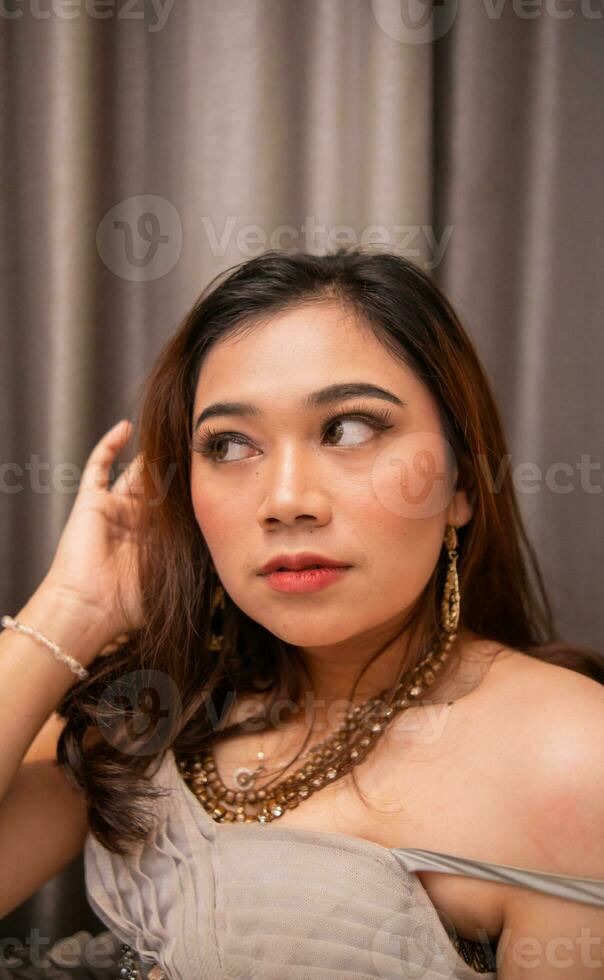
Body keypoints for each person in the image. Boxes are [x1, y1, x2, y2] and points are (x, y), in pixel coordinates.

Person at [1, 246, 603, 980]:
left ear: (460, 485)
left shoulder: (571, 756)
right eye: (229, 444)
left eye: (349, 429)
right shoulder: (153, 704)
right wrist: (73, 609)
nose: (286, 499)